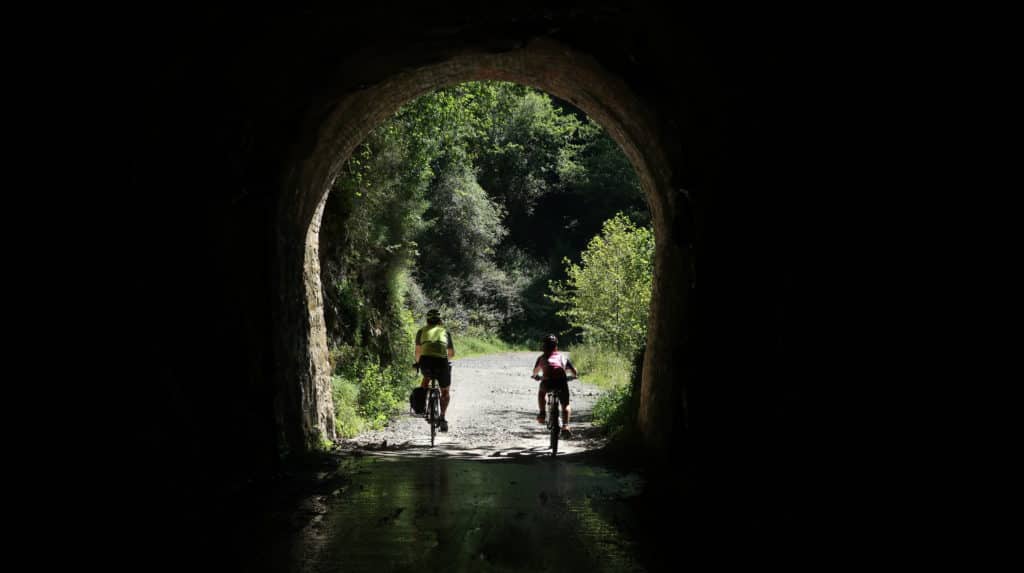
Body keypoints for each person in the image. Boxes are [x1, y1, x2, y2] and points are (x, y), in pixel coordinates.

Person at [414, 309, 455, 431]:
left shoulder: (421, 331)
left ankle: (421, 407)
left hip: (426, 362)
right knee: (445, 392)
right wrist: (443, 357)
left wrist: (417, 363)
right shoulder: (445, 332)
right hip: (441, 363)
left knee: (426, 379)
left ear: (427, 320)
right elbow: (451, 353)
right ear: (440, 320)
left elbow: (418, 352)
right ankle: (442, 418)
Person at [532, 334, 578, 431]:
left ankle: (542, 413)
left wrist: (535, 376)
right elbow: (574, 371)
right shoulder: (562, 357)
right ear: (556, 346)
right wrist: (574, 376)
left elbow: (535, 372)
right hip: (561, 382)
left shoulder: (541, 358)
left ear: (544, 346)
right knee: (565, 404)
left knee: (541, 393)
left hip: (547, 382)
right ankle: (565, 426)